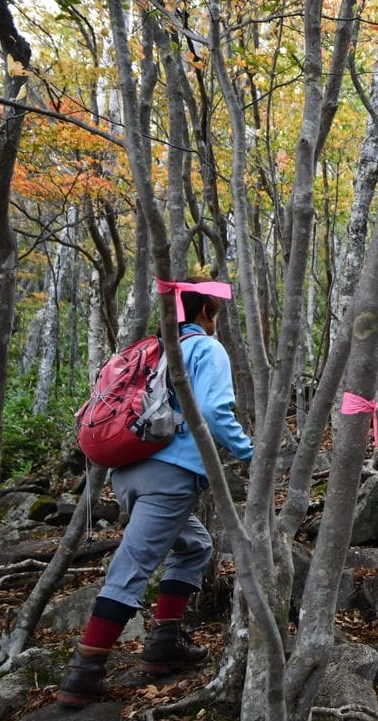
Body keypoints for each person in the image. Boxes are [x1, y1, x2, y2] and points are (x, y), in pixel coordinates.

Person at [58, 284, 254, 709]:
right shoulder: (205, 349)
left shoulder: (153, 351)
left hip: (126, 472)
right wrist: (251, 454)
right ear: (205, 310)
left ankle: (165, 643)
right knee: (132, 567)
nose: (216, 320)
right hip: (169, 477)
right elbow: (217, 412)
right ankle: (84, 671)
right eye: (215, 311)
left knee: (196, 545)